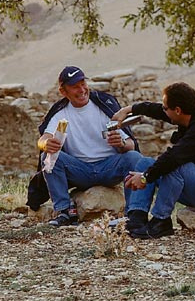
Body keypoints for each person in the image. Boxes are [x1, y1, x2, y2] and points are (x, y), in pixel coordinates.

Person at [115, 81, 195, 240]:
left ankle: (161, 221)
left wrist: (145, 177)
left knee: (176, 166)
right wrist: (127, 110)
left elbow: (175, 157)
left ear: (177, 110)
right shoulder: (186, 115)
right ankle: (136, 218)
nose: (163, 110)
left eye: (165, 108)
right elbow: (156, 110)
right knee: (144, 163)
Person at [36, 66, 154, 229]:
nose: (82, 90)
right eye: (75, 87)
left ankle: (133, 214)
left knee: (135, 158)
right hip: (79, 170)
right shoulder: (60, 113)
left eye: (83, 84)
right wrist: (46, 144)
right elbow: (44, 138)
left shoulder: (104, 106)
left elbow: (131, 145)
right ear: (63, 91)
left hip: (109, 167)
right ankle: (64, 211)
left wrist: (120, 143)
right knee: (48, 157)